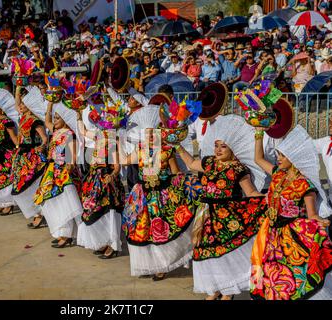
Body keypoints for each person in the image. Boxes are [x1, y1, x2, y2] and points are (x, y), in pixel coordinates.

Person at [177, 115, 267, 300]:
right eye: (216, 145)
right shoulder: (209, 162)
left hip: (225, 217)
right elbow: (191, 163)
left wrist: (269, 199)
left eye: (223, 146)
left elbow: (250, 193)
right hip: (204, 214)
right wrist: (176, 145)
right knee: (205, 253)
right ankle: (215, 289)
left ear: (233, 148)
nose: (218, 150)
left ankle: (228, 292)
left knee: (225, 254)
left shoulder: (238, 169)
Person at [120, 106, 203, 281]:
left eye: (153, 132)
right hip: (143, 195)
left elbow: (175, 171)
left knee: (160, 230)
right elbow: (123, 161)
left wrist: (183, 187)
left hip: (161, 195)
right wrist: (113, 138)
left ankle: (163, 266)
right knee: (142, 231)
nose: (150, 136)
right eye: (147, 133)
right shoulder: (140, 149)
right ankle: (150, 265)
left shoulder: (166, 149)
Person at [252, 125, 332, 300]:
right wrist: (258, 132)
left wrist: (321, 222)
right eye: (278, 154)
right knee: (269, 278)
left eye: (282, 155)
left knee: (290, 280)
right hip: (271, 235)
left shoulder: (305, 185)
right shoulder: (278, 174)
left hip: (290, 237)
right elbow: (258, 159)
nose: (278, 158)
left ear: (294, 158)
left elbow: (311, 214)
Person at [75, 102, 125, 259]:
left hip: (106, 180)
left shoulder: (114, 141)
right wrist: (78, 112)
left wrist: (113, 175)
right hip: (93, 178)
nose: (105, 127)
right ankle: (103, 241)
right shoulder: (98, 136)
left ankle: (112, 244)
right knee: (92, 211)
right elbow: (82, 131)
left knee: (108, 213)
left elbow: (117, 166)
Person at [33, 101, 83, 249]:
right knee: (50, 203)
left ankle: (67, 235)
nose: (54, 121)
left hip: (64, 174)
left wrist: (65, 170)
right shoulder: (55, 131)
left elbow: (72, 159)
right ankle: (62, 232)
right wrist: (50, 103)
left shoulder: (70, 135)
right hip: (52, 170)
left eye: (58, 118)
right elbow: (47, 120)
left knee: (65, 204)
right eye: (54, 118)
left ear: (65, 120)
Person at [12, 87, 48, 229]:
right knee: (21, 186)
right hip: (22, 156)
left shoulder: (35, 121)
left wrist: (42, 147)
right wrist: (19, 86)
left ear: (29, 106)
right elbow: (16, 104)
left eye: (23, 104)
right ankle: (35, 213)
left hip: (32, 157)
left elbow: (44, 138)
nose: (20, 106)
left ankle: (39, 214)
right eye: (20, 104)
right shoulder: (23, 118)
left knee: (32, 185)